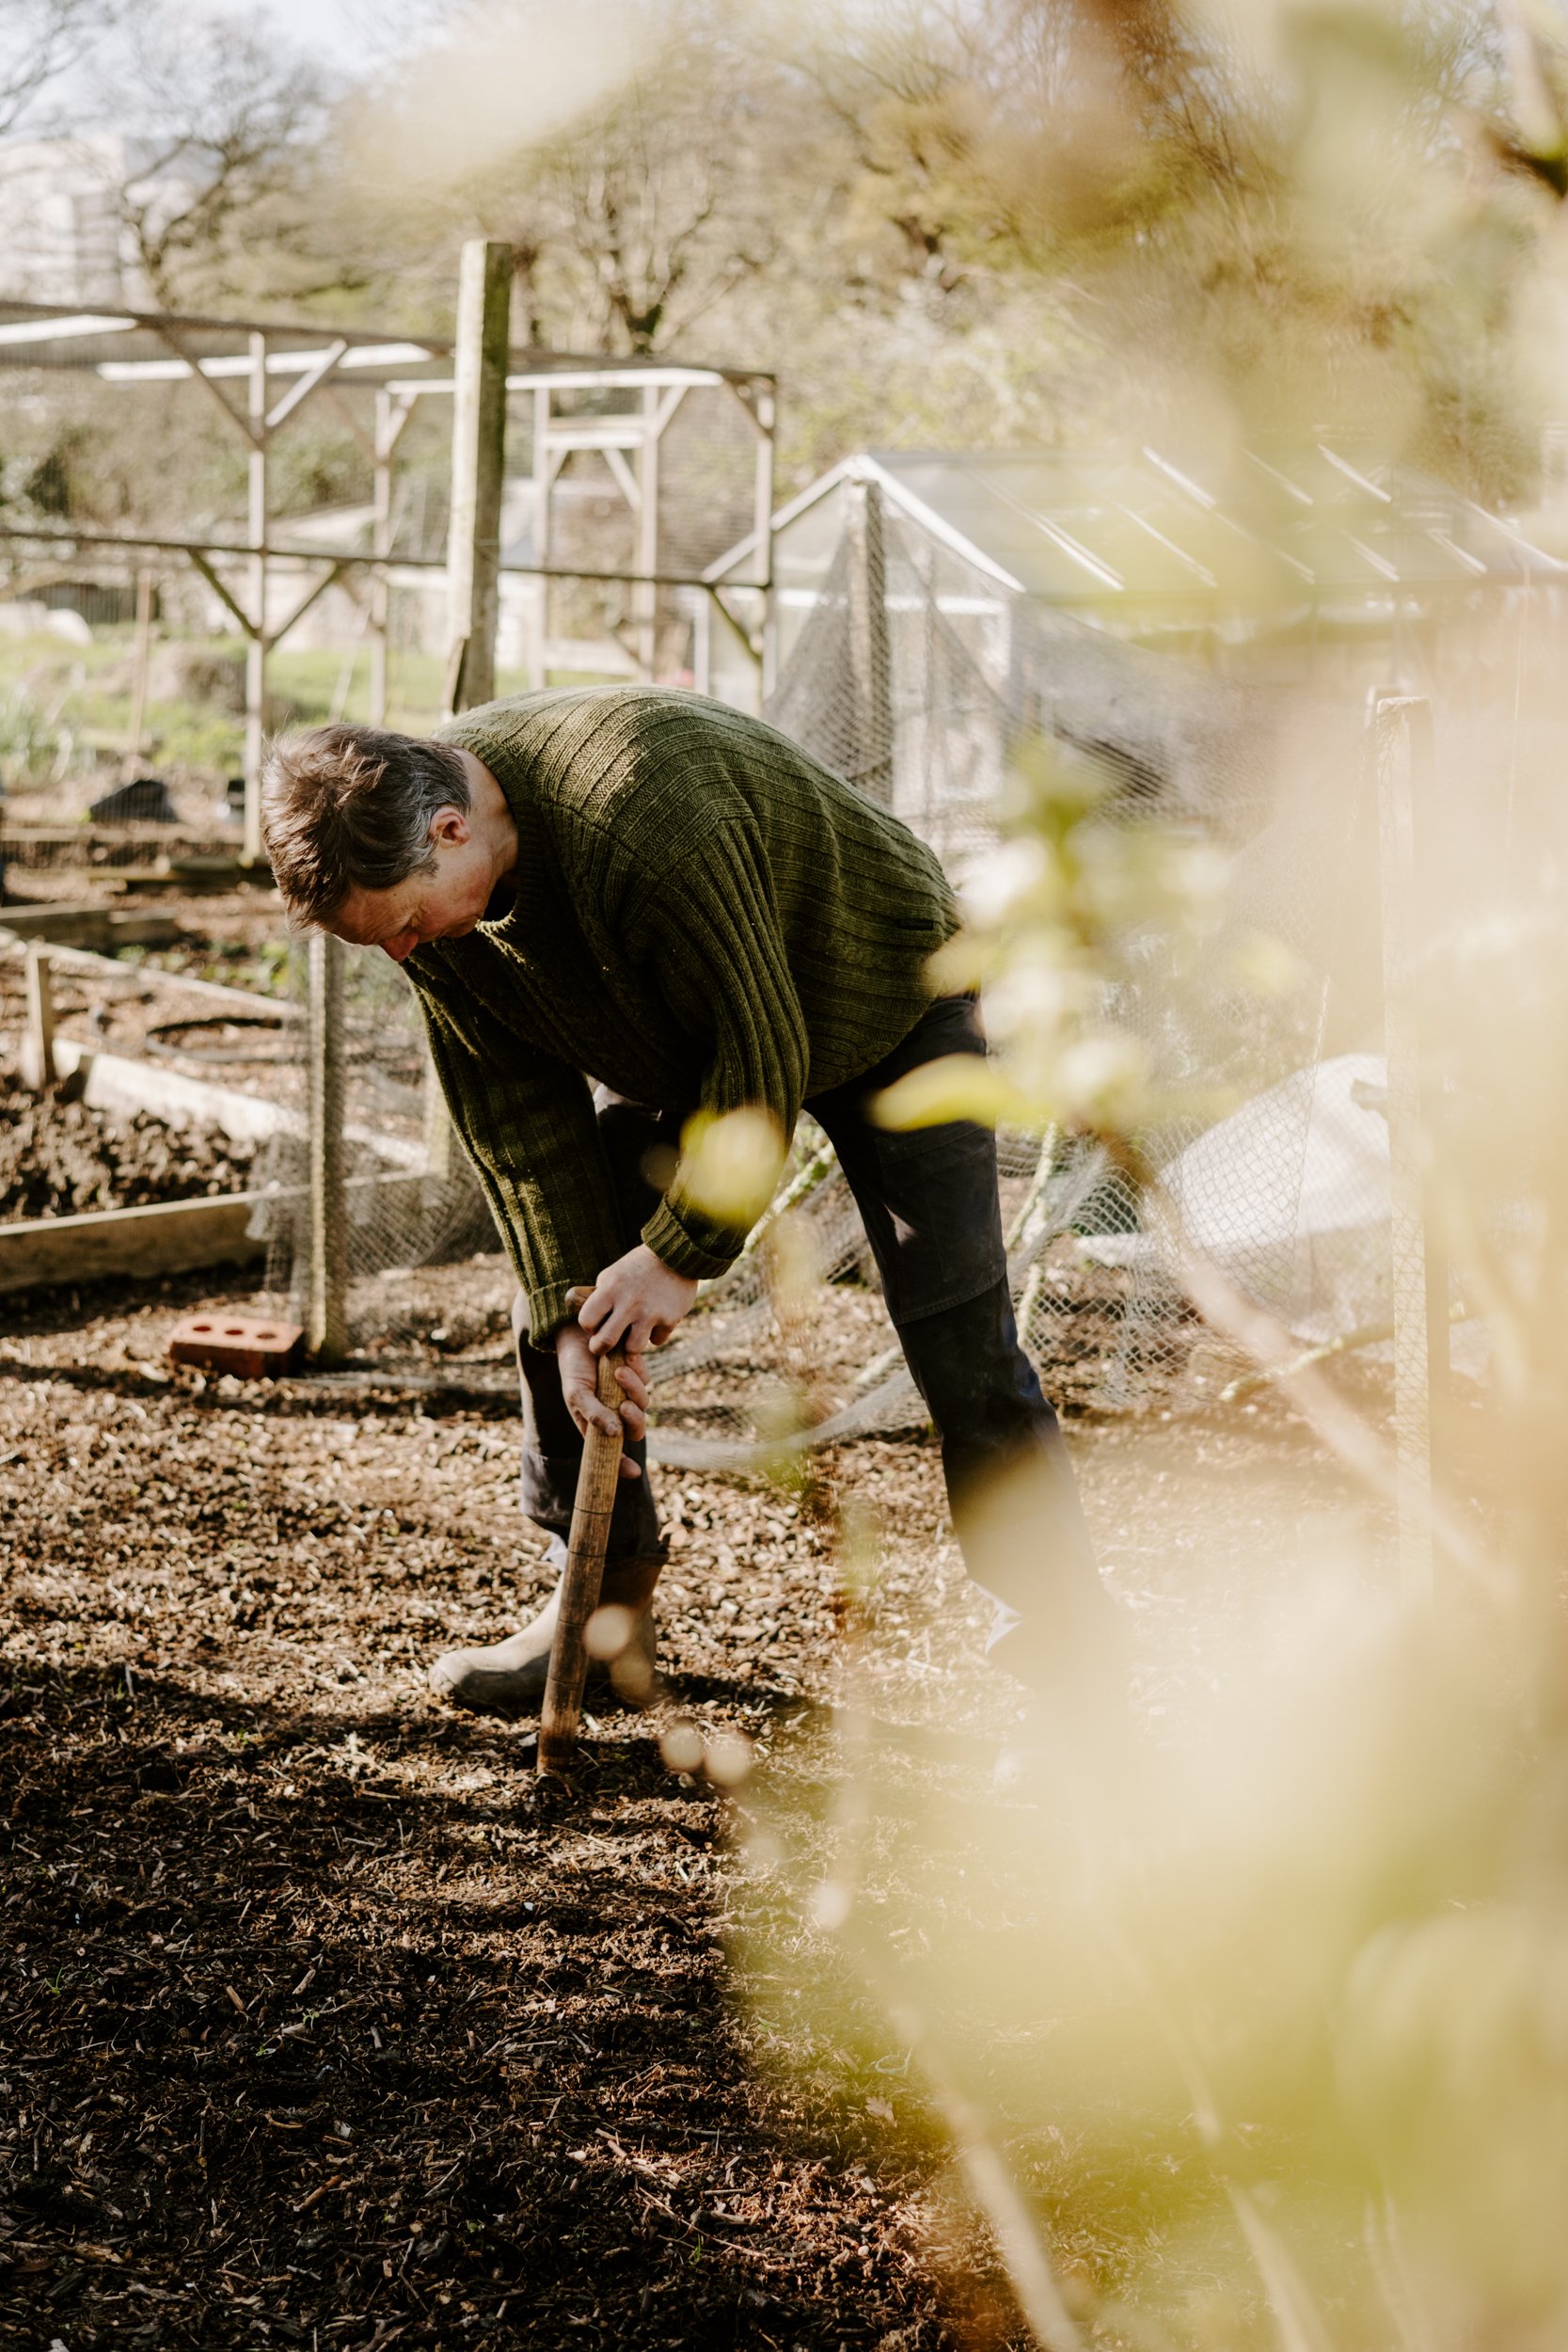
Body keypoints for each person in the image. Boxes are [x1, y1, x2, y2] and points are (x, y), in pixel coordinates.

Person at [261, 687, 1123, 1726]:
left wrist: (679, 1252)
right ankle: (600, 1616)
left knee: (957, 1333)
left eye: (403, 924)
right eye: (380, 942)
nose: (404, 954)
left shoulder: (642, 812)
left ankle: (1070, 1671)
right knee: (567, 1300)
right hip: (675, 1023)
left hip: (879, 994)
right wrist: (566, 1297)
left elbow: (760, 1052)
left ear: (450, 833)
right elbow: (510, 1112)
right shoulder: (438, 912)